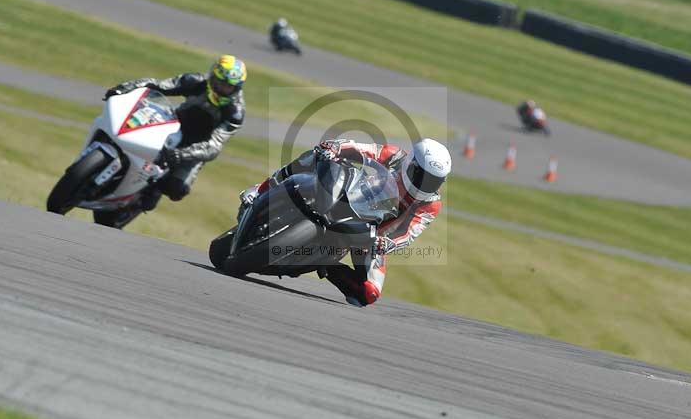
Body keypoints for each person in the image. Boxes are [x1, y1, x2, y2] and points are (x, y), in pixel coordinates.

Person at [238, 138, 451, 306]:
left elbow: (410, 232)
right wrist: (335, 147)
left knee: (370, 293)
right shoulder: (394, 156)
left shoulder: (431, 203)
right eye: (421, 175)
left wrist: (387, 243)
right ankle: (261, 189)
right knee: (314, 157)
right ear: (411, 162)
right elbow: (360, 149)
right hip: (350, 192)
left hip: (371, 233)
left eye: (433, 181)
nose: (425, 184)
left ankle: (326, 264)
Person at [101, 55, 247, 227]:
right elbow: (157, 85)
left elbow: (214, 146)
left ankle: (142, 198)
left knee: (177, 188)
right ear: (213, 77)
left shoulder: (235, 112)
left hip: (196, 147)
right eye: (221, 83)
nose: (223, 89)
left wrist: (183, 154)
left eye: (229, 87)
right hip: (172, 126)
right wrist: (123, 89)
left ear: (237, 87)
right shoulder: (195, 81)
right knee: (129, 136)